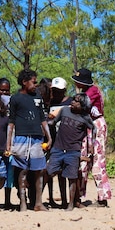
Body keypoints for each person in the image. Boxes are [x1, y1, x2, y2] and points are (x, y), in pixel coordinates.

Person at [6, 69, 51, 212]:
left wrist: (48, 137)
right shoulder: (16, 98)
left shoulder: (37, 97)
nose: (35, 85)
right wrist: (9, 143)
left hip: (37, 138)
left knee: (39, 170)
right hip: (21, 138)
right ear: (24, 82)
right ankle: (23, 203)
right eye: (33, 81)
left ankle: (38, 202)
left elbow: (42, 119)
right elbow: (11, 122)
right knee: (22, 170)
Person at [47, 93, 95, 210]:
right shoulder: (64, 110)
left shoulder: (85, 118)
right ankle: (48, 200)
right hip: (58, 148)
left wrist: (91, 144)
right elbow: (53, 123)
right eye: (73, 100)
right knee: (48, 172)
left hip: (73, 151)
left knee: (72, 177)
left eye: (77, 101)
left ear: (82, 106)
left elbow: (93, 128)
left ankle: (70, 204)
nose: (73, 102)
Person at [72, 68, 113, 207]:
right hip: (86, 126)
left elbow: (82, 104)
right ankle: (78, 195)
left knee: (97, 160)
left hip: (96, 126)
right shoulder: (85, 92)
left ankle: (102, 198)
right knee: (83, 159)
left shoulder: (92, 91)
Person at [43, 77, 71, 207]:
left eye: (59, 91)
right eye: (54, 90)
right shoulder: (49, 103)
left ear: (64, 90)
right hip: (52, 141)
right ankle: (48, 198)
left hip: (66, 141)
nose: (57, 93)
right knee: (49, 171)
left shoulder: (70, 102)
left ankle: (65, 200)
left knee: (63, 173)